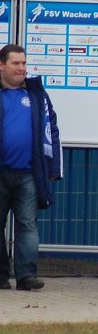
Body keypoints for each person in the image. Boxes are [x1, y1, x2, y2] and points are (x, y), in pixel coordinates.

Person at [0, 44, 61, 292]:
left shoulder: (37, 95)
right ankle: (1, 277)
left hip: (28, 174)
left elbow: (52, 131)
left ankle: (26, 277)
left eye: (24, 63)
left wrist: (53, 167)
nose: (22, 68)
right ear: (2, 65)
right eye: (16, 63)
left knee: (28, 225)